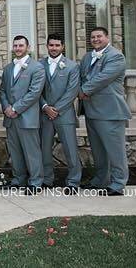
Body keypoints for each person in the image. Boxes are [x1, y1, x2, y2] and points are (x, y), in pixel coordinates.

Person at [78, 27, 130, 196]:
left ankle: (118, 184)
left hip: (110, 111)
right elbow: (81, 76)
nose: (95, 39)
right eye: (93, 37)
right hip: (91, 110)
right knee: (98, 150)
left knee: (115, 151)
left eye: (99, 36)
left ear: (107, 37)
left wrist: (83, 90)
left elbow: (103, 78)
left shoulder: (116, 56)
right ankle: (101, 180)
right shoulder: (87, 57)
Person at [0, 35, 45, 194]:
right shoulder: (8, 68)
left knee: (32, 151)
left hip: (27, 117)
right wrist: (6, 107)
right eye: (16, 46)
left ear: (28, 47)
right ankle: (18, 179)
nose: (18, 48)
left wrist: (16, 108)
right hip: (10, 118)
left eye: (21, 45)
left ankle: (36, 182)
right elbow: (3, 90)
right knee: (15, 151)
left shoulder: (36, 67)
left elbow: (34, 93)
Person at [40, 33, 81, 194]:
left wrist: (55, 109)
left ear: (63, 47)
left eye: (57, 45)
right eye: (51, 45)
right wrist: (45, 107)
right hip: (44, 114)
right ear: (47, 46)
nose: (54, 48)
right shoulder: (39, 65)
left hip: (64, 115)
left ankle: (73, 182)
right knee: (44, 149)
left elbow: (72, 91)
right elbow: (36, 90)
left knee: (70, 149)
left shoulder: (72, 66)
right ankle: (47, 179)